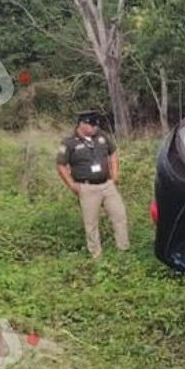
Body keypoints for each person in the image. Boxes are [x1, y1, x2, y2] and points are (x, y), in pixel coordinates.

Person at [56, 110, 130, 258]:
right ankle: (96, 255)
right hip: (87, 187)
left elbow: (113, 152)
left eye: (96, 125)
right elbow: (61, 165)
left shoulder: (101, 136)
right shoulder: (69, 142)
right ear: (82, 124)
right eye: (92, 125)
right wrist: (72, 185)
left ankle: (124, 250)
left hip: (107, 185)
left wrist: (115, 174)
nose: (95, 128)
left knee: (119, 216)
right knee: (91, 224)